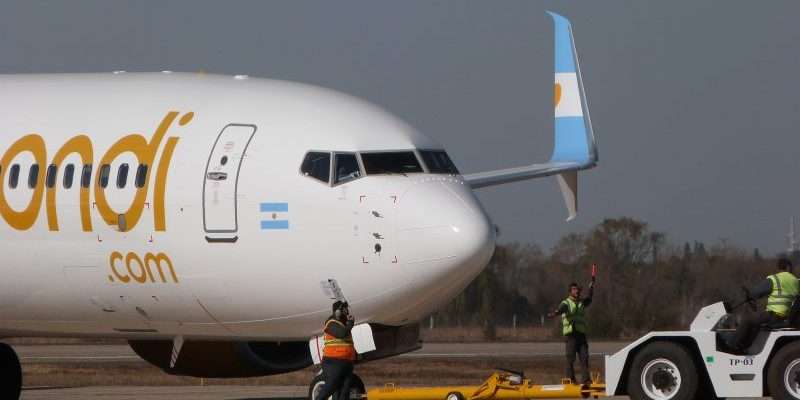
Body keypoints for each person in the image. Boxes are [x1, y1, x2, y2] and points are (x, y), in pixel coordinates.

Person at [731, 258, 799, 352]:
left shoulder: (775, 279)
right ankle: (746, 346)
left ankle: (734, 346)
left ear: (780, 268)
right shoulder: (796, 281)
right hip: (787, 317)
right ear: (788, 267)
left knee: (747, 320)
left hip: (774, 316)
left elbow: (756, 292)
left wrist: (749, 295)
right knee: (756, 321)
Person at [547, 281, 594, 385]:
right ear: (570, 292)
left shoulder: (581, 302)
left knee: (584, 357)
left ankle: (586, 380)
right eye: (574, 289)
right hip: (571, 335)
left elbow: (589, 299)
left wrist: (591, 288)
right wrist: (555, 313)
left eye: (577, 289)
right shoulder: (566, 303)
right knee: (570, 358)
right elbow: (561, 309)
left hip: (581, 335)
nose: (576, 291)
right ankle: (570, 380)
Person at [315, 301, 356, 400]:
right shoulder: (331, 323)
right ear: (338, 311)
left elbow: (347, 343)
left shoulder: (343, 324)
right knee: (330, 387)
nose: (347, 311)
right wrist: (350, 324)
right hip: (333, 362)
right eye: (345, 309)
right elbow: (341, 334)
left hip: (346, 363)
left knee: (344, 392)